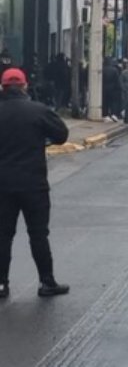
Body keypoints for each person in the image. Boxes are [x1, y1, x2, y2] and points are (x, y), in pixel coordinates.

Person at [0, 68, 71, 299]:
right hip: (34, 184)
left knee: (3, 235)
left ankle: (1, 284)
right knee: (38, 234)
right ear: (25, 86)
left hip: (3, 185)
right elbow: (61, 135)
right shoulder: (38, 111)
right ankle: (46, 282)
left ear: (2, 87)